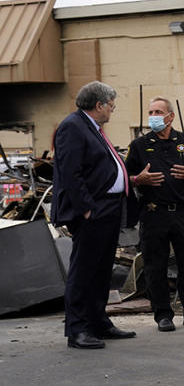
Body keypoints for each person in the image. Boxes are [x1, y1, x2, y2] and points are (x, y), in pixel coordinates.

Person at [51, 81, 138, 349]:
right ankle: (77, 329)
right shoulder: (73, 126)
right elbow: (70, 172)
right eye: (111, 105)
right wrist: (86, 208)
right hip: (93, 210)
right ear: (98, 105)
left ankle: (99, 321)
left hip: (109, 208)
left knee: (102, 270)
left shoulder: (93, 128)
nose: (112, 110)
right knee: (84, 270)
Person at [125, 97, 184, 332]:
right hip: (153, 214)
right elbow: (125, 178)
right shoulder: (139, 145)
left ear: (170, 116)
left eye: (158, 112)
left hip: (183, 214)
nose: (153, 116)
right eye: (150, 112)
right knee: (156, 266)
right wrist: (138, 180)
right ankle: (163, 315)